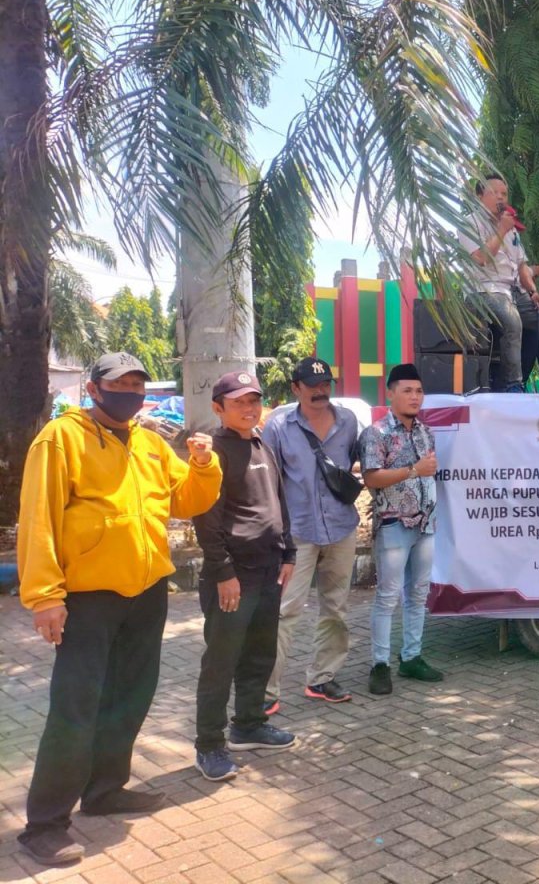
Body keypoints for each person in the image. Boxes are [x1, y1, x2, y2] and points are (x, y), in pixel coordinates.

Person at [15, 352, 222, 866]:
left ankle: (105, 790)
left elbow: (186, 501)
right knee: (76, 706)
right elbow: (38, 518)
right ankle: (45, 824)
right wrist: (45, 596)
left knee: (131, 695)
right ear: (93, 389)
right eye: (119, 384)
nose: (130, 392)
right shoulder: (61, 439)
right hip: (87, 598)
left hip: (146, 590)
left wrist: (203, 465)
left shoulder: (150, 443)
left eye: (137, 384)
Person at [192, 371, 297, 781]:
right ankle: (209, 745)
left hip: (269, 570)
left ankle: (249, 725)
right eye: (239, 402)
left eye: (253, 400)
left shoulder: (261, 445)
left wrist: (288, 552)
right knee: (221, 661)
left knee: (259, 654)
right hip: (233, 577)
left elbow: (279, 503)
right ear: (218, 408)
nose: (249, 408)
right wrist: (223, 572)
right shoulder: (213, 453)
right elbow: (206, 518)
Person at [262, 357, 361, 711]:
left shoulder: (348, 421)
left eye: (325, 384)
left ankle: (322, 678)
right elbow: (268, 482)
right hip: (297, 534)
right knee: (284, 611)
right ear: (295, 388)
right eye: (311, 385)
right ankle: (265, 692)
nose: (320, 391)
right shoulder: (278, 427)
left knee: (336, 608)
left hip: (341, 527)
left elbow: (350, 465)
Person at [360, 363, 443, 694]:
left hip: (425, 524)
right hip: (394, 524)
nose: (414, 397)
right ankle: (380, 665)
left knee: (418, 594)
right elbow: (371, 478)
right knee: (388, 596)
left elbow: (429, 472)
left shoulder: (425, 431)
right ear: (390, 394)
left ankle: (411, 656)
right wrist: (413, 470)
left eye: (419, 391)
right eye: (407, 390)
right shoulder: (376, 433)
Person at [462, 174, 539, 391]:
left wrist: (533, 292)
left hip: (513, 293)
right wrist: (501, 230)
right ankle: (513, 384)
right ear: (479, 196)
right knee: (512, 321)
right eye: (494, 193)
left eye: (504, 194)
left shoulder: (511, 229)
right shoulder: (469, 223)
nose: (500, 198)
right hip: (484, 291)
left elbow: (521, 266)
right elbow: (481, 258)